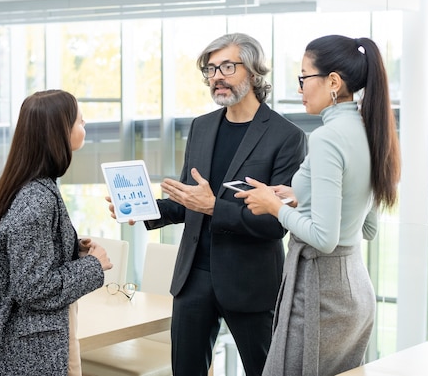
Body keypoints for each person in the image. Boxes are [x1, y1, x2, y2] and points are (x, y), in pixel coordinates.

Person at [108, 33, 306, 375]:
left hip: (251, 282)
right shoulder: (201, 127)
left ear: (254, 72)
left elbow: (277, 223)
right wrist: (142, 210)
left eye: (227, 66)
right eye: (211, 69)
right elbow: (189, 203)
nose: (217, 76)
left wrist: (215, 207)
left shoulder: (286, 136)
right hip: (194, 276)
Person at [236, 35, 401, 376]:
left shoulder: (327, 137)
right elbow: (365, 227)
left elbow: (325, 238)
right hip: (355, 290)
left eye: (303, 78)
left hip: (320, 293)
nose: (300, 89)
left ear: (333, 82)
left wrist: (273, 205)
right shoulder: (370, 131)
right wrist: (302, 199)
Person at [0, 89, 113, 376]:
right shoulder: (37, 198)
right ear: (58, 133)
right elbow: (33, 288)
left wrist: (71, 248)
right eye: (78, 121)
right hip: (30, 349)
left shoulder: (24, 186)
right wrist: (93, 266)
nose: (84, 123)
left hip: (25, 343)